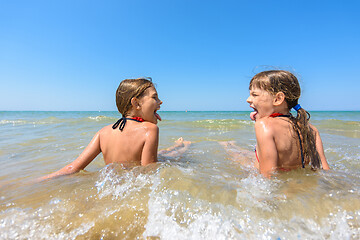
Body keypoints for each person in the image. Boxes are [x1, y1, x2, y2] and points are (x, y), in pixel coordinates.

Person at [40, 78, 190, 180]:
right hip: (132, 187)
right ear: (136, 103)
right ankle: (182, 146)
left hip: (114, 186)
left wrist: (39, 180)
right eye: (155, 98)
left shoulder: (103, 132)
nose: (160, 101)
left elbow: (72, 168)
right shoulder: (150, 130)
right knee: (171, 158)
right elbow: (149, 172)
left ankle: (178, 145)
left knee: (163, 153)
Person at [222, 70, 330, 178]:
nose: (248, 100)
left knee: (238, 155)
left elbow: (267, 176)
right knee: (246, 154)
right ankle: (230, 145)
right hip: (296, 183)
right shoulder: (311, 129)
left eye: (254, 95)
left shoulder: (264, 125)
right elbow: (324, 169)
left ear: (278, 99)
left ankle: (227, 144)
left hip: (275, 185)